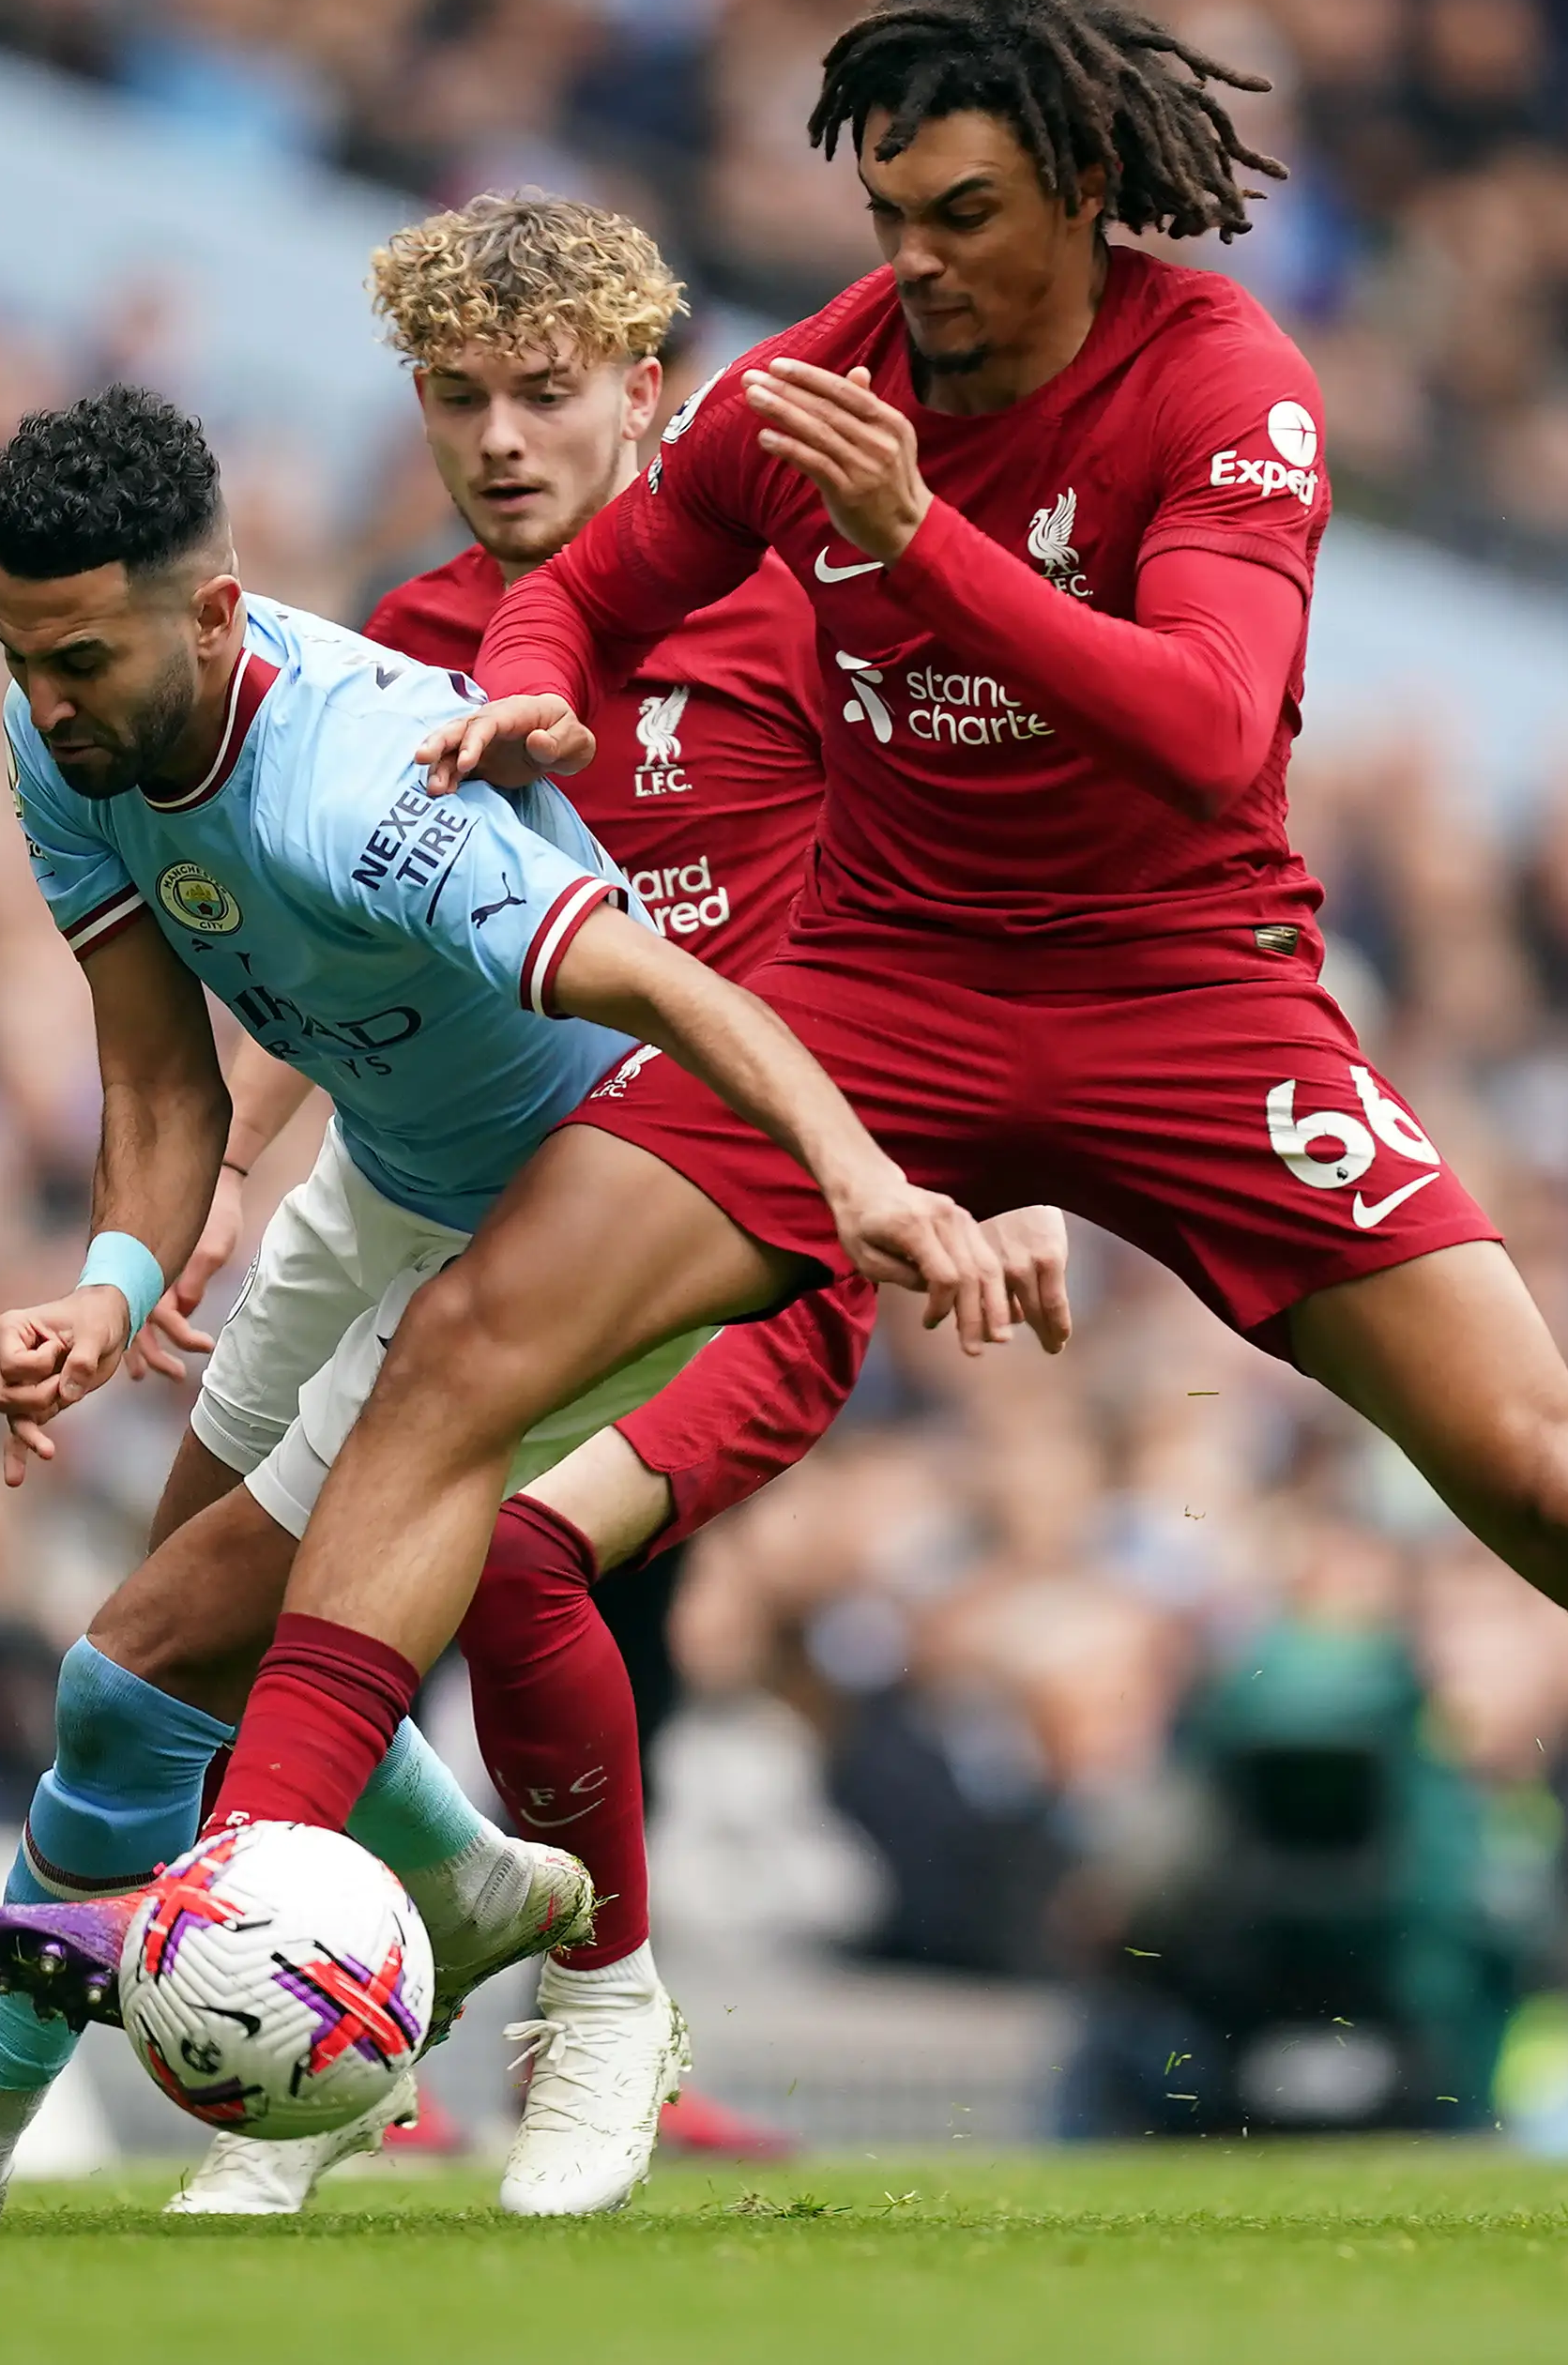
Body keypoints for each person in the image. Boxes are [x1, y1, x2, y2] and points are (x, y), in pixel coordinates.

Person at [190, 0, 1568, 2233]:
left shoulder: (1227, 387)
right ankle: (252, 1896)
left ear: (1090, 188)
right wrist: (526, 696)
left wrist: (922, 548)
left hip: (1189, 999)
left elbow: (1201, 723)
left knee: (1558, 1483)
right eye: (888, 212)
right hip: (879, 984)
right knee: (457, 1370)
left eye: (965, 212)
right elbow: (583, 590)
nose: (915, 263)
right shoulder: (824, 383)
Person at [0, 383, 1005, 2230]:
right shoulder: (61, 739)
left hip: (559, 1229)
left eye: (79, 656)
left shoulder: (370, 796)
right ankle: (459, 1887)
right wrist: (110, 1283)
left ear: (214, 615)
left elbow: (671, 988)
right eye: (18, 653)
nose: (47, 700)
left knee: (137, 1670)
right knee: (171, 1677)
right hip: (380, 1182)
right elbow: (163, 1089)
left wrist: (858, 1179)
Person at [240, 191, 1067, 2210]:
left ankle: (586, 2024)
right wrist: (228, 1196)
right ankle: (365, 2025)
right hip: (519, 1239)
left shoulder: (797, 607)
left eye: (548, 394)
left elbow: (960, 898)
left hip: (761, 1229)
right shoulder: (403, 653)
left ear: (648, 398)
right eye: (461, 398)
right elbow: (342, 964)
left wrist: (1005, 1164)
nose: (504, 439)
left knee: (541, 1570)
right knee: (390, 1586)